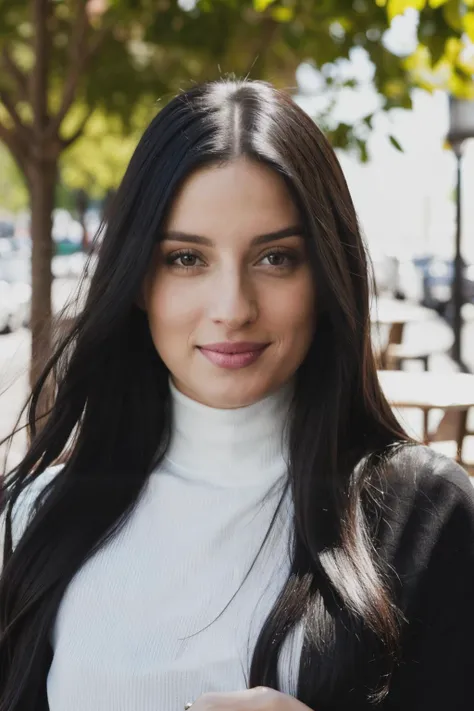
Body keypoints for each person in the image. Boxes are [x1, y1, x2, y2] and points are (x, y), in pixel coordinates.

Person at [1, 79, 473, 711]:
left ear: (327, 275)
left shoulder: (426, 519)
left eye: (275, 258)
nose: (232, 309)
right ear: (140, 278)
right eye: (186, 259)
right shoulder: (34, 520)